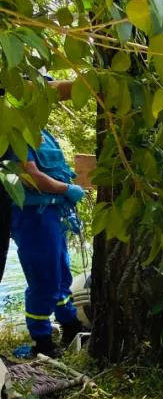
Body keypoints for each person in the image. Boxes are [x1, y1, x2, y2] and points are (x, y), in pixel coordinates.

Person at [4, 127, 86, 356]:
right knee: (44, 278)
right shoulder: (17, 133)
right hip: (33, 216)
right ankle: (42, 341)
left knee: (61, 273)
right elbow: (30, 176)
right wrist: (67, 188)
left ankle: (70, 325)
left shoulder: (44, 132)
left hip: (54, 212)